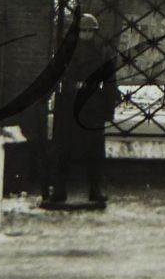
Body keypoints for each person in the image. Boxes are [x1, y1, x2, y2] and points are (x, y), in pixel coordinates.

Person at [50, 13, 120, 205]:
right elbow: (56, 74)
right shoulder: (67, 51)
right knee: (63, 146)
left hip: (93, 105)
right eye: (83, 31)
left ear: (96, 33)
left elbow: (110, 81)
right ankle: (59, 188)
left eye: (91, 31)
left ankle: (96, 189)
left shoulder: (103, 52)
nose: (87, 34)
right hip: (70, 103)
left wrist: (108, 109)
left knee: (95, 149)